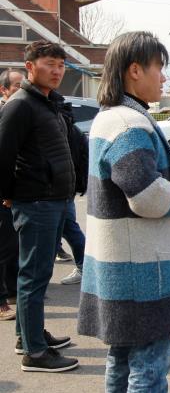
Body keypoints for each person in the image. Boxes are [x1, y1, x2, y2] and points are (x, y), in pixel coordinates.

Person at [78, 31, 170, 393]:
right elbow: (147, 196)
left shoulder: (113, 117)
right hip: (140, 271)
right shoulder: (129, 123)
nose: (164, 77)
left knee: (122, 363)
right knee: (148, 371)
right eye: (159, 68)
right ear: (135, 70)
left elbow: (128, 179)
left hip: (121, 265)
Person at [0, 42, 77, 372]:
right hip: (36, 201)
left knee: (34, 274)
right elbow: (2, 154)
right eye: (50, 63)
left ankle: (28, 337)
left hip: (54, 200)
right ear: (30, 67)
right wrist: (7, 194)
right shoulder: (20, 105)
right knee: (34, 276)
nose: (57, 70)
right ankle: (35, 352)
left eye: (61, 64)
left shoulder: (47, 104)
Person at [54, 99, 89, 285]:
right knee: (68, 228)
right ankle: (86, 267)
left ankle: (86, 267)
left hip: (60, 188)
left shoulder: (61, 126)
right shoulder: (70, 125)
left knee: (68, 228)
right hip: (67, 187)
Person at [0, 68, 24, 321]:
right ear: (4, 90)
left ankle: (12, 291)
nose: (21, 88)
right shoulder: (4, 115)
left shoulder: (22, 112)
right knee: (3, 247)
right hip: (4, 194)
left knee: (13, 246)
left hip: (19, 193)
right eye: (16, 85)